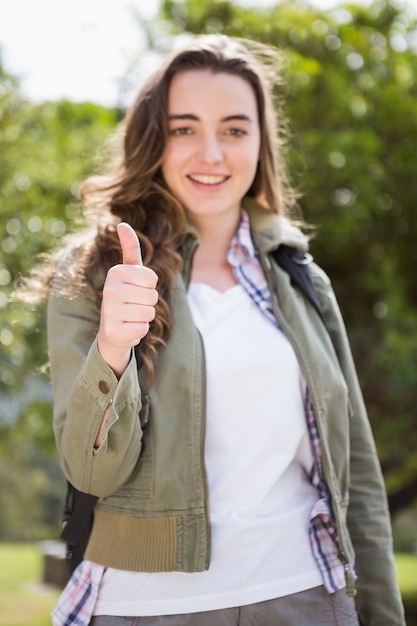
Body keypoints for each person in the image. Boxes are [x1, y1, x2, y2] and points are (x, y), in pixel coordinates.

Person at [25, 34, 404, 625]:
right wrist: (114, 350)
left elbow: (356, 468)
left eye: (233, 129)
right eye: (184, 129)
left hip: (304, 593)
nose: (211, 153)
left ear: (260, 143)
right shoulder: (98, 272)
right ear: (155, 140)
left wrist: (381, 612)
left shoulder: (300, 277)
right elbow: (90, 470)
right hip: (146, 607)